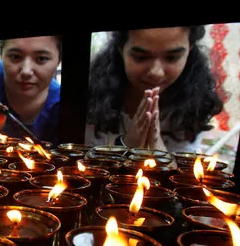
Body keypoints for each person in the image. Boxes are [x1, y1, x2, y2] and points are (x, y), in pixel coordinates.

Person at [85, 26, 223, 152]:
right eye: (141, 58)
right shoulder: (91, 96)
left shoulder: (196, 101)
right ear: (121, 50)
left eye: (171, 58)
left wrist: (156, 146)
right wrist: (127, 145)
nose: (156, 72)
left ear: (189, 51)